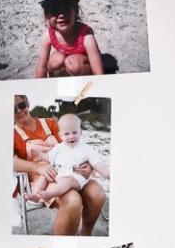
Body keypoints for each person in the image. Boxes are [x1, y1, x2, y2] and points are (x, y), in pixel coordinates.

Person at [13, 97, 106, 236]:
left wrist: (89, 166)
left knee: (97, 194)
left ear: (27, 103)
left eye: (21, 105)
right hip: (43, 179)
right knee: (73, 201)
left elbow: (78, 145)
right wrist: (38, 168)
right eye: (13, 109)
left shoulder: (51, 123)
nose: (19, 111)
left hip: (74, 171)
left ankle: (86, 235)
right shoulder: (12, 134)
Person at [29, 113, 110, 205]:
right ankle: (35, 195)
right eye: (66, 134)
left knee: (68, 181)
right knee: (45, 175)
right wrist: (39, 154)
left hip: (76, 178)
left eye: (74, 132)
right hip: (59, 174)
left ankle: (49, 194)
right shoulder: (58, 147)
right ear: (60, 135)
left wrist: (107, 173)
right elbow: (49, 157)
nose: (71, 136)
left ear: (80, 132)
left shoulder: (86, 148)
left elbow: (97, 164)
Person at [33, 0, 106, 78]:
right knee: (55, 61)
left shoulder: (86, 35)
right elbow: (41, 67)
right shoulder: (49, 35)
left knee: (73, 63)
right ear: (47, 15)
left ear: (76, 11)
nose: (61, 15)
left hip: (82, 67)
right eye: (55, 10)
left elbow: (98, 71)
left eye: (66, 9)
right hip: (63, 66)